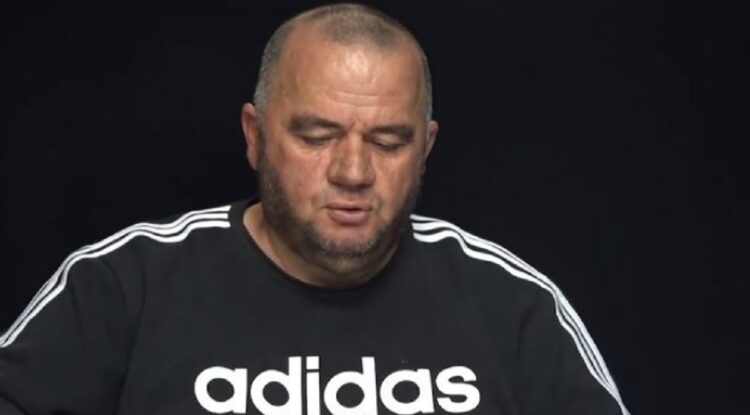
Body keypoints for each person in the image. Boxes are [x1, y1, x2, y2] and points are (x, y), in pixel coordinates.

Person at [0, 3, 629, 414]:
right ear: (255, 136)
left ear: (426, 149)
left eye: (388, 142)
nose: (352, 172)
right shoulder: (124, 287)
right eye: (317, 136)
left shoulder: (511, 306)